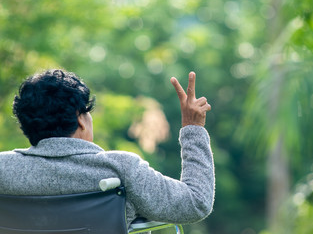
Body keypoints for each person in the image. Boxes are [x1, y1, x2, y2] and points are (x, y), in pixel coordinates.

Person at [0, 69, 214, 226]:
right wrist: (192, 128)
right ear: (80, 120)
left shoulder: (4, 169)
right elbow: (196, 202)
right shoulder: (121, 169)